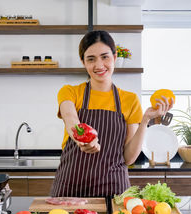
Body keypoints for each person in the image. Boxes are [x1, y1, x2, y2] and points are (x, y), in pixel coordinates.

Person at [50, 30, 173, 197]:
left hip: (113, 188)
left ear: (115, 57)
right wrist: (83, 139)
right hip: (71, 186)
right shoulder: (70, 92)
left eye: (105, 57)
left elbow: (128, 158)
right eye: (91, 59)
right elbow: (71, 118)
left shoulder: (129, 100)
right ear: (83, 62)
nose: (99, 65)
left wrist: (145, 120)